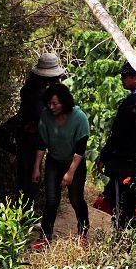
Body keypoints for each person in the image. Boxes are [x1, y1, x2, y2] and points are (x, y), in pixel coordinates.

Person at [96, 61, 136, 231]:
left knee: (121, 199)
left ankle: (120, 233)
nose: (121, 79)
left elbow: (117, 133)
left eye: (124, 76)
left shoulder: (131, 102)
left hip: (123, 161)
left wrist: (104, 156)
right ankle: (133, 232)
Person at [32, 83, 90, 243]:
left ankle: (83, 231)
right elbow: (41, 143)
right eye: (49, 103)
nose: (52, 107)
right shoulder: (46, 115)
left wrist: (70, 172)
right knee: (51, 200)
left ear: (64, 102)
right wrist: (36, 167)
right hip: (54, 161)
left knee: (76, 199)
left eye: (55, 103)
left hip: (74, 163)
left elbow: (80, 149)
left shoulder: (79, 118)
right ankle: (45, 236)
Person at [15, 52, 66, 207]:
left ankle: (21, 215)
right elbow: (39, 117)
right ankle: (23, 217)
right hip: (30, 139)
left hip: (26, 138)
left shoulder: (31, 87)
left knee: (25, 175)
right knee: (30, 178)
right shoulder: (38, 93)